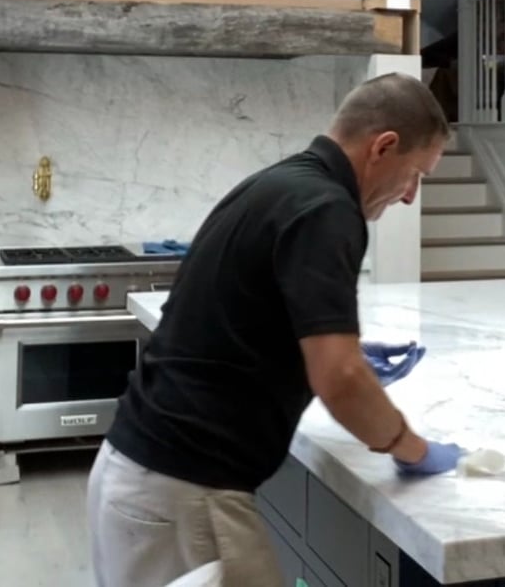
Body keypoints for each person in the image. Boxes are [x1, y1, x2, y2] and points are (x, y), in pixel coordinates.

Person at [87, 72, 462, 587]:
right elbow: (341, 380)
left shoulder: (279, 183)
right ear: (384, 146)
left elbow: (243, 316)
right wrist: (411, 448)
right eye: (416, 174)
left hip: (140, 475)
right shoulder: (329, 210)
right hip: (186, 493)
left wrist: (316, 352)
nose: (410, 197)